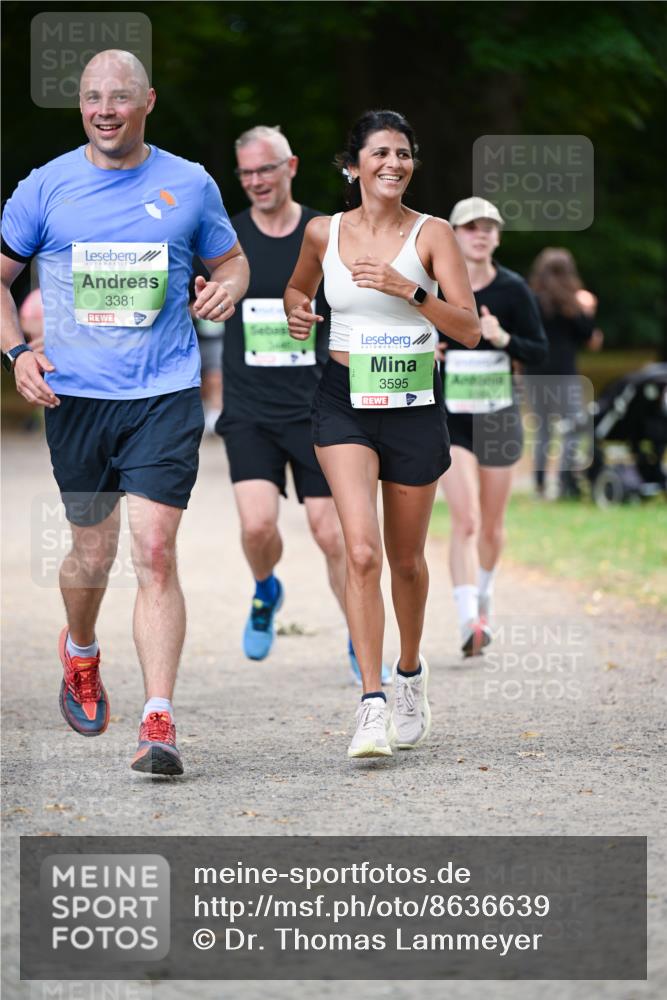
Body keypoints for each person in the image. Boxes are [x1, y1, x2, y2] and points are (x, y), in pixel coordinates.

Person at [0, 49, 249, 776]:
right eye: (91, 98)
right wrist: (18, 354)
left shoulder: (189, 184)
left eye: (120, 96)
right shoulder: (45, 188)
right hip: (76, 399)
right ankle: (80, 649)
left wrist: (227, 287)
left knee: (156, 552)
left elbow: (231, 262)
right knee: (92, 553)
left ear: (148, 101)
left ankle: (159, 720)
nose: (105, 109)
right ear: (80, 106)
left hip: (163, 395)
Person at [285, 110, 480, 758]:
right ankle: (370, 703)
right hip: (342, 402)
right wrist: (295, 310)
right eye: (380, 153)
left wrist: (411, 291)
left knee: (404, 561)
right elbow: (297, 289)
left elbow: (469, 330)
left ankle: (408, 672)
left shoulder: (434, 235)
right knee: (360, 552)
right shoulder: (323, 231)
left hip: (413, 405)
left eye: (402, 154)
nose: (392, 163)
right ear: (354, 165)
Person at [218, 125, 389, 683]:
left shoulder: (324, 232)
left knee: (331, 532)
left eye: (265, 169)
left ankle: (359, 640)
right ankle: (266, 589)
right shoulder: (227, 236)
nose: (255, 181)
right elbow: (202, 293)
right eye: (245, 172)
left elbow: (359, 301)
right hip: (250, 408)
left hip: (316, 407)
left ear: (290, 166)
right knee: (256, 527)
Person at [439, 197, 547, 656]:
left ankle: (484, 595)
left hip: (498, 418)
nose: (480, 234)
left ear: (497, 237)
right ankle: (468, 620)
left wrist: (504, 339)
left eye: (488, 228)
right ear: (455, 235)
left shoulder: (513, 289)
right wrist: (429, 349)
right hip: (452, 420)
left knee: (491, 525)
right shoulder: (438, 286)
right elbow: (407, 336)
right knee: (465, 520)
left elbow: (540, 351)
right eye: (470, 227)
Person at [527, 247, 603, 499]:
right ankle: (563, 480)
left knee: (543, 432)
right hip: (564, 374)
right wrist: (589, 311)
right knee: (573, 427)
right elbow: (591, 340)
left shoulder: (530, 300)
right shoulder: (574, 304)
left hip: (534, 374)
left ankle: (539, 485)